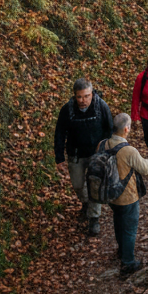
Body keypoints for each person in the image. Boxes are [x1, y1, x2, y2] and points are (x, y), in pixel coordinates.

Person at [53, 78, 114, 236]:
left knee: (95, 184)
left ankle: (94, 218)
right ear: (74, 96)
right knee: (78, 185)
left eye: (86, 96)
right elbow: (59, 133)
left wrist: (108, 152)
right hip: (76, 155)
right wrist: (59, 157)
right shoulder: (67, 110)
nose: (83, 100)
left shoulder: (101, 106)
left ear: (92, 94)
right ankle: (86, 202)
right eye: (79, 97)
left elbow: (110, 130)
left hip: (97, 154)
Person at [105, 112, 148, 277]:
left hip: (110, 195)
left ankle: (122, 251)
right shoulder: (128, 150)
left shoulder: (103, 144)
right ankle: (128, 262)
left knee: (118, 221)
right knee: (129, 229)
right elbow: (145, 168)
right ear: (126, 129)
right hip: (127, 197)